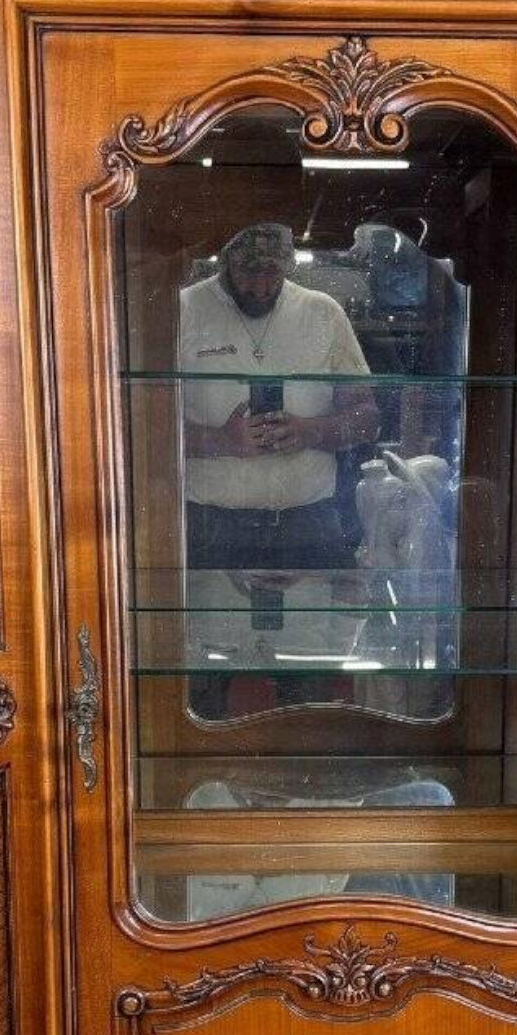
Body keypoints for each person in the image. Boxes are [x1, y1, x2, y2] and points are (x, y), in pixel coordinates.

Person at [178, 223, 380, 713]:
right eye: (248, 273)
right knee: (199, 680)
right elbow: (141, 425)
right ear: (226, 262)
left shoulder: (322, 312)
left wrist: (311, 431)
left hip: (309, 525)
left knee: (312, 677)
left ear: (288, 266)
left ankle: (302, 758)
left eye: (272, 273)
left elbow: (367, 417)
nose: (260, 286)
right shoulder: (183, 310)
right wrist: (221, 441)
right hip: (211, 528)